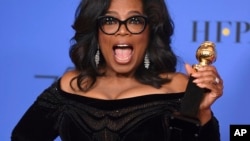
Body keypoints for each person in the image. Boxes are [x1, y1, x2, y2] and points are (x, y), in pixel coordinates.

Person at [11, 0, 223, 140]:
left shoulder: (178, 87)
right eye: (110, 21)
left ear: (150, 32)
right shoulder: (70, 85)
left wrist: (201, 112)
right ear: (96, 31)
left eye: (135, 20)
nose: (122, 30)